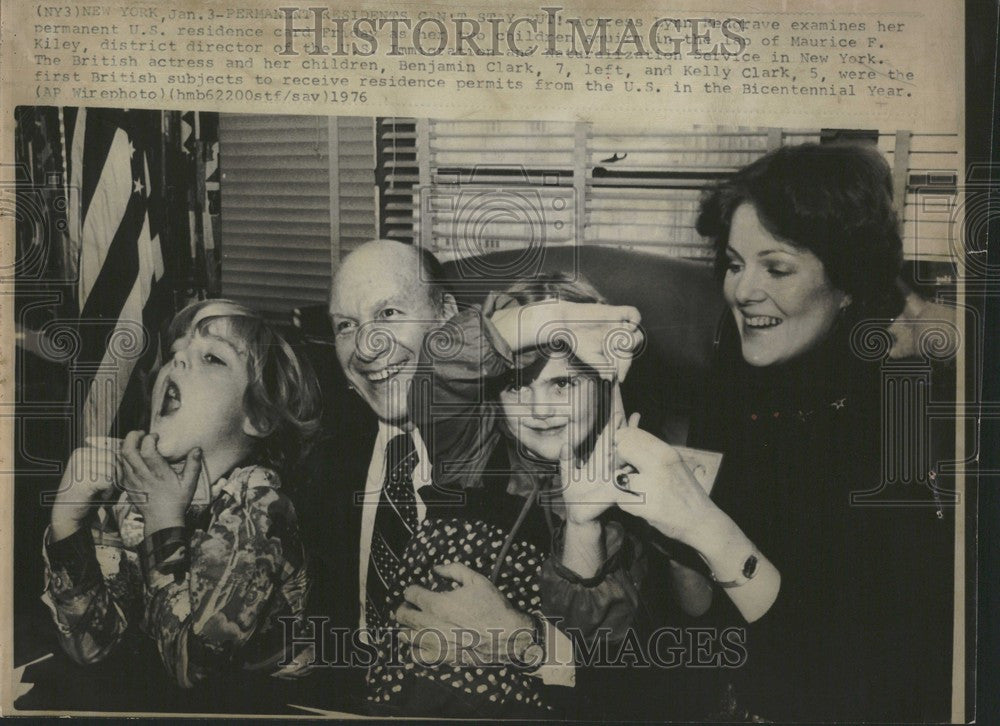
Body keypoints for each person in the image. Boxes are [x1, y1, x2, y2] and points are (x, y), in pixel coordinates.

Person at [685, 142, 955, 721]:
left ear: (849, 283)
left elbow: (862, 669)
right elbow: (704, 622)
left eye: (776, 268)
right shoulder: (733, 377)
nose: (743, 290)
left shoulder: (904, 413)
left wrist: (704, 527)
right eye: (734, 264)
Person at [363, 273, 674, 716]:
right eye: (517, 384)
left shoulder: (621, 505)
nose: (539, 409)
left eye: (562, 384)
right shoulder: (470, 450)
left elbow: (591, 666)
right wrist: (557, 319)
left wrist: (583, 528)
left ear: (606, 385)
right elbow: (443, 362)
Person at [42, 299, 321, 694]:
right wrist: (67, 526)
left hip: (269, 706)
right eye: (176, 353)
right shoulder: (131, 487)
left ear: (258, 417)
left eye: (212, 357)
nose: (179, 362)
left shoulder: (259, 504)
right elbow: (92, 646)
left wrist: (163, 521)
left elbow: (195, 668)